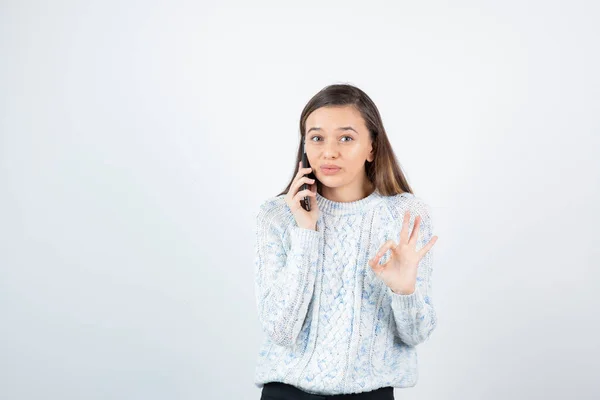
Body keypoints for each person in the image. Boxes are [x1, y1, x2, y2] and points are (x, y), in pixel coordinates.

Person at [253, 83, 439, 400]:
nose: (329, 151)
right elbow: (281, 331)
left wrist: (404, 290)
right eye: (316, 137)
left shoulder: (405, 215)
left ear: (371, 147)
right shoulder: (277, 215)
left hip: (371, 394)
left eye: (346, 138)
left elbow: (415, 334)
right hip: (287, 392)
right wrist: (305, 232)